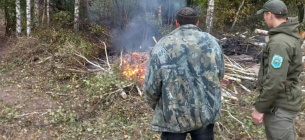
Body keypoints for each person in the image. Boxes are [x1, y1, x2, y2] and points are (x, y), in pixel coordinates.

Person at [143, 7, 224, 140]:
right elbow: (220, 75)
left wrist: (161, 107)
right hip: (204, 113)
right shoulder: (213, 43)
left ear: (177, 23)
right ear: (197, 23)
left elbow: (151, 88)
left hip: (173, 117)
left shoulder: (161, 46)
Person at [252, 0, 303, 139]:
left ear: (269, 14)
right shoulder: (289, 36)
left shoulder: (280, 43)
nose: (264, 18)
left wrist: (260, 108)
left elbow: (275, 80)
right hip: (284, 103)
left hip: (279, 108)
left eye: (264, 14)